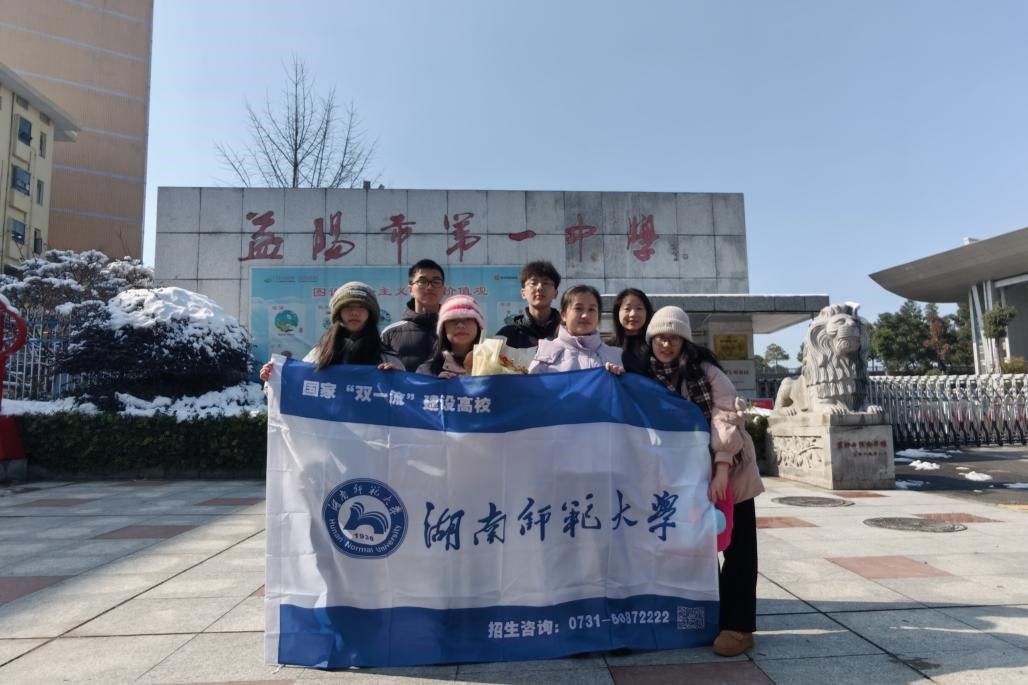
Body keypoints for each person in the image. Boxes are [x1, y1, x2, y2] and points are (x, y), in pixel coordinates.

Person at [644, 306, 764, 658]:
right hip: (684, 478)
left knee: (738, 547)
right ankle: (707, 618)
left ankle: (739, 626)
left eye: (674, 337)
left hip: (731, 470)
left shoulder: (707, 372)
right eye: (660, 337)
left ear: (685, 340)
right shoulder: (647, 375)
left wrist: (722, 468)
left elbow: (726, 416)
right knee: (695, 547)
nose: (666, 344)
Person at [259, 281, 401, 380]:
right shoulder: (321, 353)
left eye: (361, 307)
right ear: (338, 314)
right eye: (348, 307)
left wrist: (399, 378)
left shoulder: (386, 356)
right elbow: (297, 383)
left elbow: (404, 399)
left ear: (370, 313)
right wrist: (273, 376)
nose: (354, 312)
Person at [528, 285, 624, 375]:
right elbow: (533, 385)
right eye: (578, 308)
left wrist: (620, 377)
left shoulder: (615, 356)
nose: (585, 315)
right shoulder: (545, 353)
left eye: (591, 309)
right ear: (563, 315)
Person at [381, 259, 446, 371]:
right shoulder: (390, 333)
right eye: (422, 282)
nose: (429, 287)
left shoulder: (453, 331)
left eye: (436, 282)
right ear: (410, 289)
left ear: (443, 290)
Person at [495, 261, 562, 348]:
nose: (539, 287)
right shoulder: (507, 335)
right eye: (533, 283)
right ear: (523, 293)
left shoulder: (567, 332)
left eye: (545, 283)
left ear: (556, 293)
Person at [417, 295, 484, 378]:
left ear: (478, 325)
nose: (460, 325)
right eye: (452, 320)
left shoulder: (495, 364)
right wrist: (437, 384)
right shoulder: (427, 371)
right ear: (443, 328)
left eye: (467, 319)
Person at [608, 288, 654, 375]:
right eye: (627, 309)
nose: (633, 314)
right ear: (617, 312)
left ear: (647, 313)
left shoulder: (655, 348)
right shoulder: (606, 348)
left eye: (639, 308)